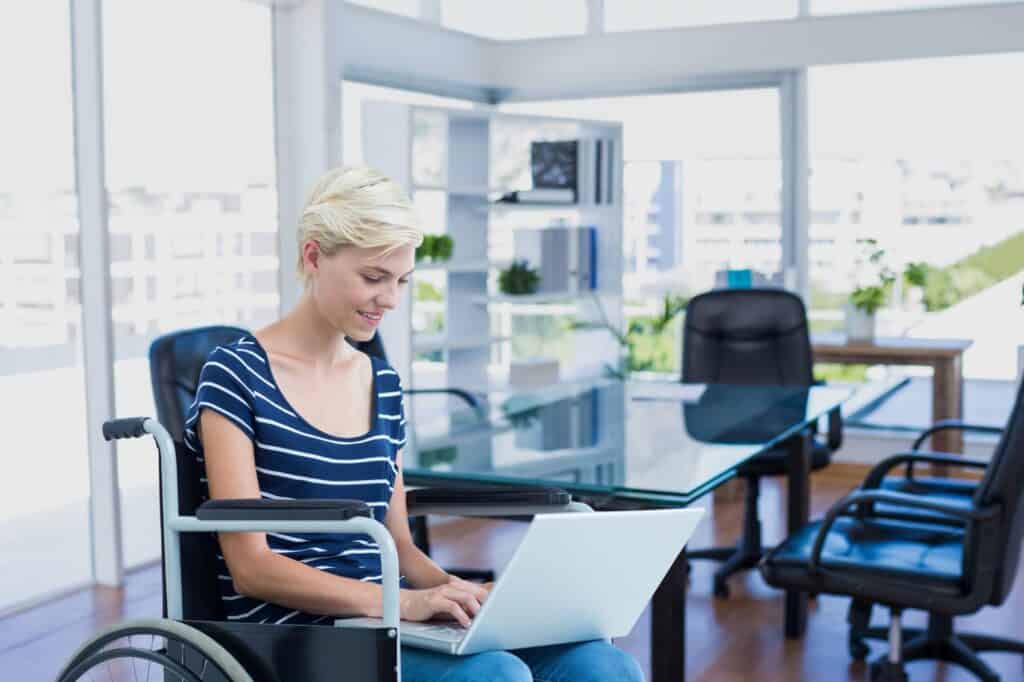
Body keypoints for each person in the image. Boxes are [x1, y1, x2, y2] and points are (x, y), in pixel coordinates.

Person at [183, 165, 644, 682]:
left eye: (402, 281)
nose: (391, 300)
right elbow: (250, 567)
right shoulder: (234, 372)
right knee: (496, 676)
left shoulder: (381, 383)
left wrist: (457, 594)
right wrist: (403, 603)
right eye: (373, 278)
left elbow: (399, 546)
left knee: (602, 664)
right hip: (300, 636)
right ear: (314, 256)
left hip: (386, 617)